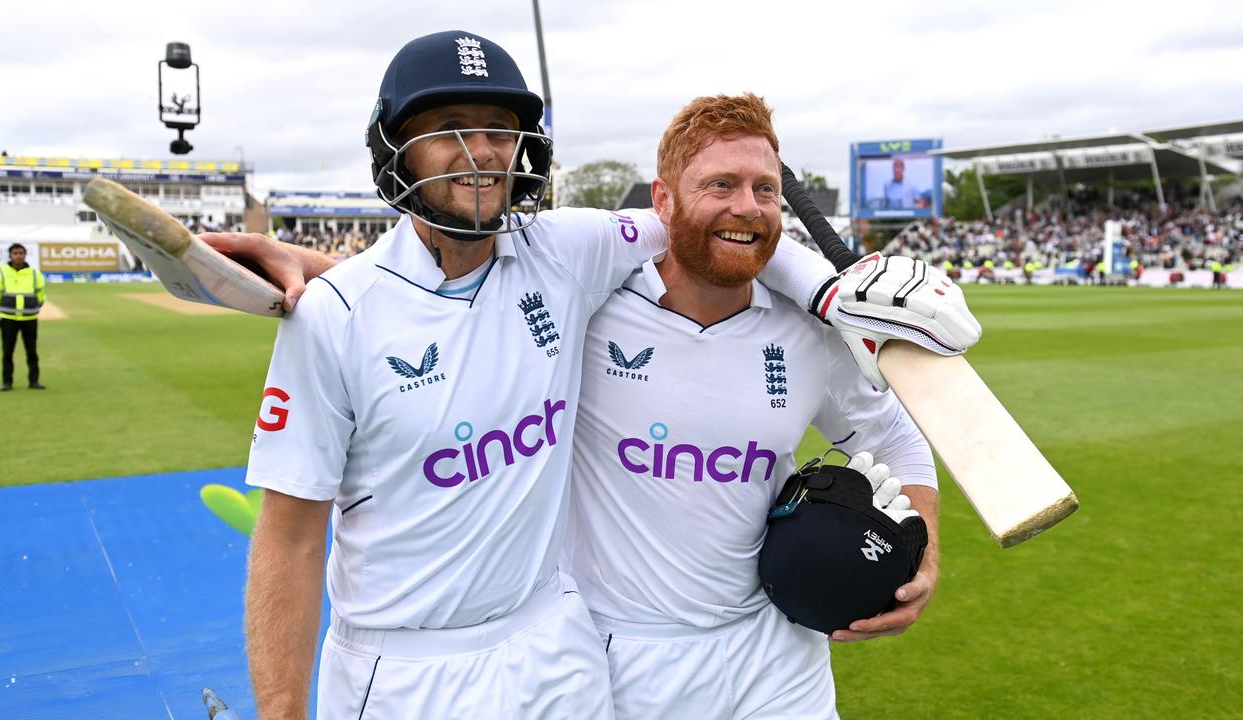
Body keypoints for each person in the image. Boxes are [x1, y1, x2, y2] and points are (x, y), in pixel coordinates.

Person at [208, 32, 978, 720]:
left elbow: (727, 231)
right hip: (418, 665)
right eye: (447, 131)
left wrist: (827, 289)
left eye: (498, 132)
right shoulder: (343, 314)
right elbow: (291, 539)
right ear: (395, 148)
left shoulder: (565, 256)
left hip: (566, 648)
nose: (479, 152)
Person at [563, 94, 947, 719]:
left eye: (765, 190)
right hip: (623, 654)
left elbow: (898, 442)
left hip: (778, 653)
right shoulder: (587, 307)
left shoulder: (810, 331)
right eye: (721, 184)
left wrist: (921, 559)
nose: (747, 207)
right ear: (662, 200)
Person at [0, 243, 46, 391]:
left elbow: (40, 293)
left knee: (32, 351)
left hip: (29, 318)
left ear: (25, 255)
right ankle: (7, 382)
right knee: (8, 351)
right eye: (15, 253)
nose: (18, 256)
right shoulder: (0, 273)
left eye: (21, 253)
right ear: (10, 255)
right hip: (8, 318)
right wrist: (4, 308)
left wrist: (35, 306)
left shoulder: (34, 273)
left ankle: (34, 381)